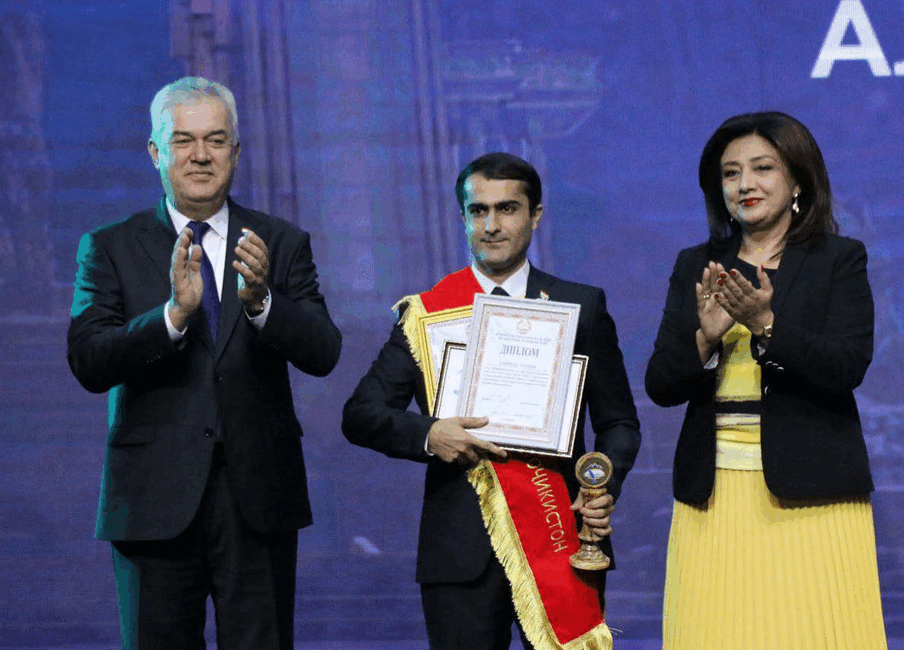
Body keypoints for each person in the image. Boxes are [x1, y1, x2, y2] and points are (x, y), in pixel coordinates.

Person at [67, 77, 342, 649]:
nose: (200, 155)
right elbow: (89, 361)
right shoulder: (109, 246)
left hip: (259, 501)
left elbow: (323, 352)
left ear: (235, 152)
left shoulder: (279, 242)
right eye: (183, 140)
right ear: (155, 152)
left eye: (216, 140)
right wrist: (172, 315)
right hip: (152, 502)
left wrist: (262, 303)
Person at [342, 152, 641, 650]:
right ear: (462, 217)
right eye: (478, 211)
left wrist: (600, 484)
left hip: (560, 538)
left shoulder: (582, 306)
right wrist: (430, 434)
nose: (492, 225)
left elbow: (619, 423)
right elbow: (360, 415)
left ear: (535, 215)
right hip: (458, 553)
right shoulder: (427, 315)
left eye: (507, 209)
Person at [645, 111, 887, 649]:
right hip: (712, 499)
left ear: (797, 179)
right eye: (731, 173)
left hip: (812, 495)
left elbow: (846, 367)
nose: (745, 184)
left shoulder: (838, 259)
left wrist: (766, 326)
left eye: (762, 168)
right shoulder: (695, 264)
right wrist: (705, 339)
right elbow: (660, 384)